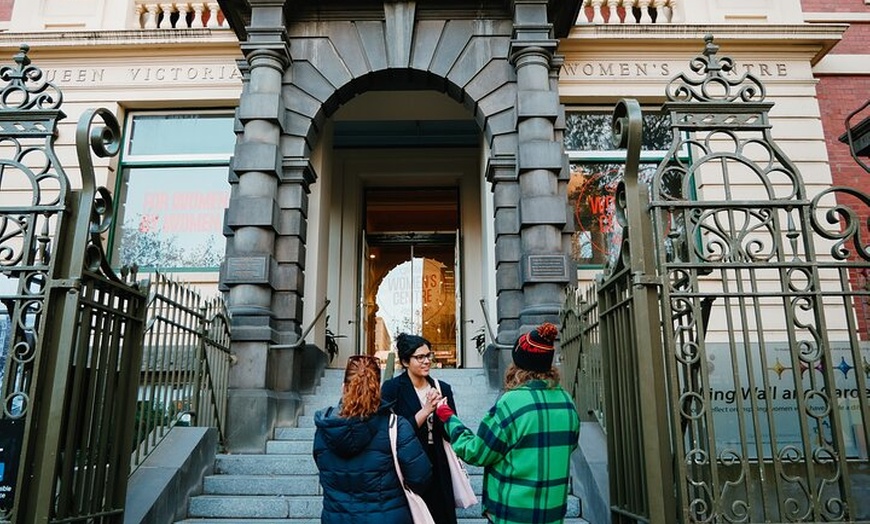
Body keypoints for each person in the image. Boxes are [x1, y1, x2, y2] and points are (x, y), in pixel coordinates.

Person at [435, 322, 581, 524]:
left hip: (512, 514)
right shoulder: (566, 401)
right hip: (553, 513)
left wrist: (448, 417)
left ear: (517, 364)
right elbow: (570, 445)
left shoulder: (511, 403)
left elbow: (477, 452)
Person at [313, 354, 432, 524]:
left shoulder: (324, 429)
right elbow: (420, 477)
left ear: (343, 388)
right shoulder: (396, 426)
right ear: (378, 388)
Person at [381, 333, 459, 524]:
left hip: (438, 461)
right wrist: (425, 411)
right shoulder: (392, 389)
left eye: (428, 356)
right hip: (408, 465)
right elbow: (389, 433)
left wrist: (444, 413)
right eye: (420, 357)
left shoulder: (442, 388)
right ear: (406, 362)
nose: (426, 361)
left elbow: (452, 432)